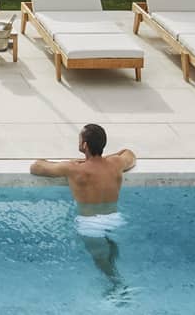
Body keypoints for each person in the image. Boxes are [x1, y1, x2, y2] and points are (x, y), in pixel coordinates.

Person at [30, 124, 137, 292]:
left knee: (101, 261)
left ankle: (120, 288)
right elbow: (130, 154)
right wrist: (107, 158)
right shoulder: (115, 163)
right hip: (114, 219)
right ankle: (118, 281)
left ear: (85, 145)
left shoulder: (74, 169)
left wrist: (72, 163)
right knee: (110, 253)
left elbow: (36, 167)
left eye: (80, 139)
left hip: (90, 224)